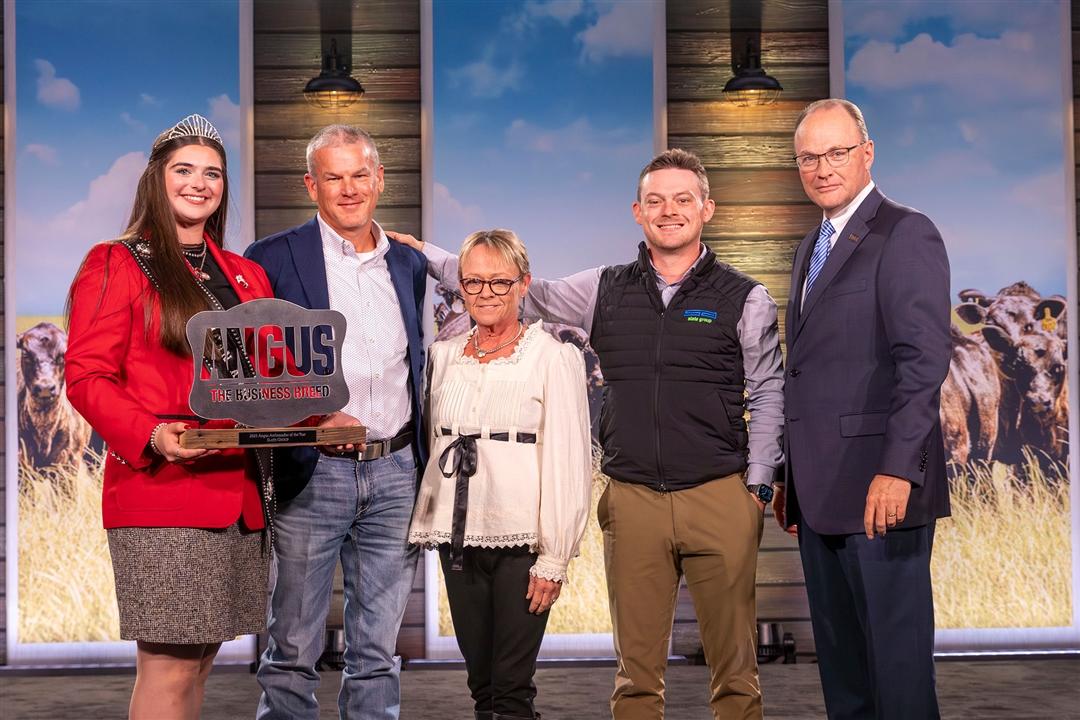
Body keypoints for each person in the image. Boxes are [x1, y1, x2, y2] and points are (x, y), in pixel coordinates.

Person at [390, 148, 785, 720]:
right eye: (655, 200)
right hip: (632, 498)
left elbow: (769, 390)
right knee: (636, 676)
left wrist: (757, 485)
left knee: (735, 672)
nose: (668, 211)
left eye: (682, 200)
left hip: (719, 493)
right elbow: (514, 285)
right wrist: (428, 255)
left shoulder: (744, 297)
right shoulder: (604, 287)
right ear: (637, 211)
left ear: (707, 209)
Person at [65, 114, 274, 720]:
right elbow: (85, 375)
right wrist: (153, 433)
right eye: (184, 170)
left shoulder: (244, 274)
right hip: (164, 492)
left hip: (237, 493)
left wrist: (323, 411)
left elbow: (272, 376)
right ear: (156, 179)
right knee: (170, 667)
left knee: (200, 661)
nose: (199, 183)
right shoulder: (117, 262)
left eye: (213, 173)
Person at [245, 125, 428, 720]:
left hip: (398, 470)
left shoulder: (410, 262)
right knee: (293, 642)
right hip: (314, 469)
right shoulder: (272, 259)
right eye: (333, 177)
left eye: (359, 175)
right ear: (311, 184)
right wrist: (316, 413)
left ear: (379, 180)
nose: (348, 189)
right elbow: (254, 365)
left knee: (377, 648)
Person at [777, 98, 951, 720]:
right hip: (820, 495)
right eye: (808, 157)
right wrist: (788, 477)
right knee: (846, 680)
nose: (822, 167)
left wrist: (899, 468)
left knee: (898, 680)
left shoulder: (905, 232)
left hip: (882, 491)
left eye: (836, 152)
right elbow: (810, 373)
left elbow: (923, 362)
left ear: (867, 153)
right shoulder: (809, 248)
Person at [408, 229, 592, 720]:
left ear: (523, 284)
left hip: (523, 545)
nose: (485, 293)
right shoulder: (442, 357)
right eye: (473, 282)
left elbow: (569, 459)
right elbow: (433, 444)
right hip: (459, 538)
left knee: (511, 688)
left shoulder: (554, 356)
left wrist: (555, 556)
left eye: (499, 282)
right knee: (482, 684)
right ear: (461, 288)